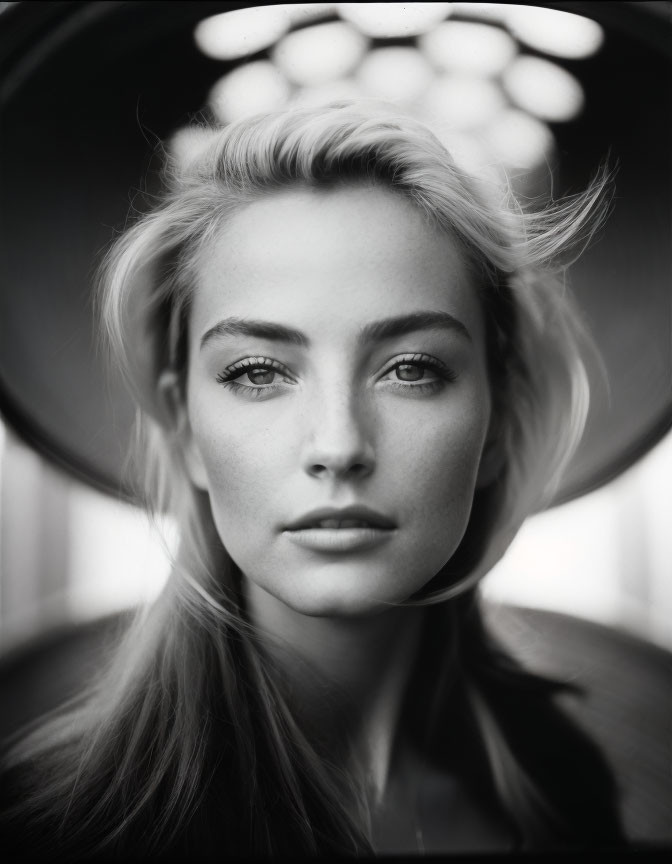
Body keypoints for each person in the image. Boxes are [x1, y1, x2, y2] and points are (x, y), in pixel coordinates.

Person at [0, 99, 624, 858]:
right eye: (259, 372)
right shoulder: (57, 829)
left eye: (412, 368)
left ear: (496, 417)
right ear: (184, 425)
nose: (338, 445)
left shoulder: (564, 788)